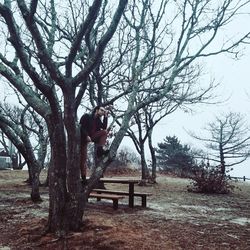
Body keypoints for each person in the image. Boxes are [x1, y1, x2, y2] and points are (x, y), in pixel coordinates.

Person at [79, 106, 109, 183]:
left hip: (92, 137)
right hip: (83, 138)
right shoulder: (87, 116)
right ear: (96, 110)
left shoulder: (98, 120)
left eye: (104, 111)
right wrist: (86, 135)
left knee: (104, 132)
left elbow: (104, 127)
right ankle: (83, 178)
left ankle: (100, 150)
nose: (103, 112)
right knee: (83, 158)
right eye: (102, 110)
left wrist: (106, 116)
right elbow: (81, 127)